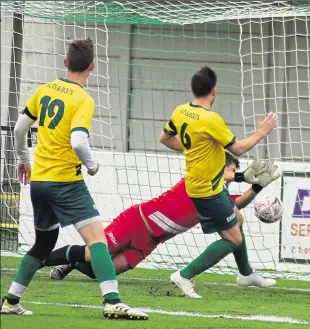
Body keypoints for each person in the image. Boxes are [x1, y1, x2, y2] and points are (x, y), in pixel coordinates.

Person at [0, 38, 148, 320]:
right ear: (92, 67)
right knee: (98, 241)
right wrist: (92, 166)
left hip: (40, 182)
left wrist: (23, 160)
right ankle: (112, 301)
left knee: (43, 245)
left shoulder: (44, 90)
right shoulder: (82, 99)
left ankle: (10, 301)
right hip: (66, 182)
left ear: (66, 62)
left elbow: (19, 129)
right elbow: (79, 142)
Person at [46, 152, 278, 290]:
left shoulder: (219, 198)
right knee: (93, 252)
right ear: (220, 169)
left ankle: (72, 263)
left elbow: (236, 206)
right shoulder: (200, 180)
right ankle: (42, 258)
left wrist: (256, 187)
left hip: (149, 241)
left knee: (98, 271)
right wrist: (240, 176)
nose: (230, 177)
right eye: (230, 170)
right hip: (136, 222)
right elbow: (216, 176)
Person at [160, 66, 278, 298]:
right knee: (233, 238)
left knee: (238, 218)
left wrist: (192, 149)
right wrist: (262, 132)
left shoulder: (180, 111)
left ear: (192, 89)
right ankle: (185, 274)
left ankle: (246, 273)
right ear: (213, 91)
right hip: (206, 189)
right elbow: (238, 149)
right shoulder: (211, 119)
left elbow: (164, 138)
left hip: (210, 184)